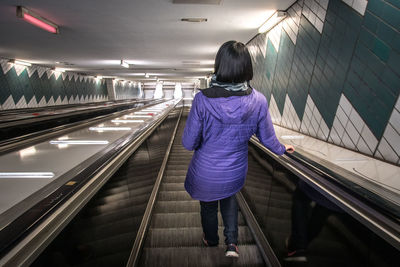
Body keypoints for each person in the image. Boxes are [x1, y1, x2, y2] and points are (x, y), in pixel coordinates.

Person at [182, 40, 294, 258]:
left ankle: (211, 240)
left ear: (219, 65)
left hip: (206, 170)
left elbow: (188, 143)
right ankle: (232, 244)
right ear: (247, 67)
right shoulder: (258, 101)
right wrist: (283, 148)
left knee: (208, 207)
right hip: (235, 169)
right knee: (229, 199)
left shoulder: (202, 100)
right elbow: (268, 140)